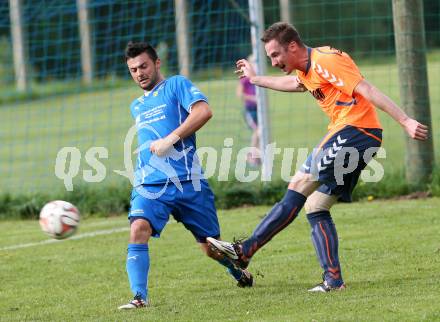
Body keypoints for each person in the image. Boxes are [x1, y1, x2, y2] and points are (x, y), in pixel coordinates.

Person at [207, 22, 428, 292]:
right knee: (316, 205)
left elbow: (367, 90)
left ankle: (245, 250)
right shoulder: (306, 69)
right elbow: (295, 84)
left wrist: (405, 121)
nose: (274, 62)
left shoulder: (326, 61)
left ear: (292, 46)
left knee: (300, 183)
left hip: (356, 130)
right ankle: (333, 281)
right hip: (360, 136)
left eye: (276, 55)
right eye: (269, 58)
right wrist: (254, 80)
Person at [118, 41, 253, 310]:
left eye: (143, 66)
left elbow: (203, 111)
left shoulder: (176, 85)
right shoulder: (137, 106)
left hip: (189, 182)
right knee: (138, 229)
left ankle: (238, 271)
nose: (139, 73)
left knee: (210, 248)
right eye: (133, 69)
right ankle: (139, 298)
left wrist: (172, 138)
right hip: (150, 183)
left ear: (157, 63)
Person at [236, 54, 261, 167]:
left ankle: (257, 156)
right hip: (250, 110)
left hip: (260, 109)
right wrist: (254, 99)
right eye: (254, 62)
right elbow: (239, 94)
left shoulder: (259, 77)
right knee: (258, 131)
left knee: (261, 132)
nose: (256, 65)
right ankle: (249, 157)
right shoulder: (245, 78)